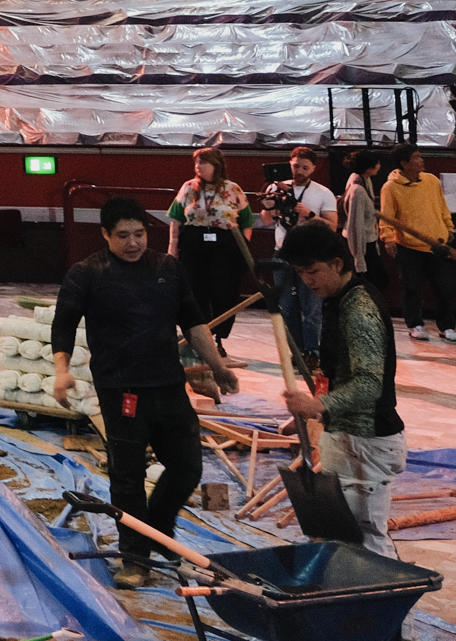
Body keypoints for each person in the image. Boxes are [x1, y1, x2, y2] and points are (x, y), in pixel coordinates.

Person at [52, 196, 239, 590]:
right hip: (121, 390)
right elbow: (63, 324)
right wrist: (62, 371)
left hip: (167, 385)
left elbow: (193, 322)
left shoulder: (167, 268)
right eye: (123, 235)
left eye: (139, 233)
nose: (133, 242)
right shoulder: (87, 273)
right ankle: (135, 559)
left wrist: (218, 367)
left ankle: (157, 529)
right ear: (105, 235)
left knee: (187, 467)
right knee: (128, 477)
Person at [281, 222, 406, 559]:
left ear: (337, 263)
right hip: (347, 437)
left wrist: (318, 406)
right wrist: (315, 411)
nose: (307, 281)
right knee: (341, 537)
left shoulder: (359, 308)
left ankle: (385, 589)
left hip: (368, 442)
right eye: (300, 273)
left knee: (365, 539)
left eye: (312, 271)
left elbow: (369, 384)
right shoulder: (337, 298)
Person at [165, 146, 254, 344]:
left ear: (216, 165)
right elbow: (176, 220)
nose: (198, 166)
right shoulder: (188, 188)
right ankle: (200, 338)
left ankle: (220, 336)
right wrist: (172, 247)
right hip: (194, 242)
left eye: (203, 162)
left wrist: (243, 247)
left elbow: (247, 222)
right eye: (196, 162)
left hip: (225, 244)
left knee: (224, 291)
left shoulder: (232, 189)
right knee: (195, 290)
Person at [259, 146, 339, 355]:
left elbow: (332, 227)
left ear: (313, 168)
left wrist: (308, 214)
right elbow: (266, 220)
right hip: (282, 251)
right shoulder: (276, 187)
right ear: (289, 164)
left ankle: (312, 350)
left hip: (311, 253)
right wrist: (271, 209)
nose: (299, 171)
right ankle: (295, 351)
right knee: (286, 305)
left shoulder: (323, 193)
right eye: (296, 166)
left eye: (305, 167)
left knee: (311, 306)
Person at [380, 146, 456, 340]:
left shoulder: (431, 180)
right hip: (408, 246)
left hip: (436, 245)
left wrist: (448, 227)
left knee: (445, 288)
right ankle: (415, 325)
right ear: (404, 163)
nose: (421, 160)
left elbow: (442, 207)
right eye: (416, 157)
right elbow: (386, 216)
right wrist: (388, 238)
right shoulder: (391, 187)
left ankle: (447, 326)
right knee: (411, 288)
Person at [342, 150, 389, 296]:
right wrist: (359, 259)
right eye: (377, 164)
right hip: (361, 243)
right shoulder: (358, 190)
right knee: (375, 283)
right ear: (369, 168)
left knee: (378, 282)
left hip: (367, 240)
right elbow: (355, 226)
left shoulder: (364, 179)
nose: (380, 166)